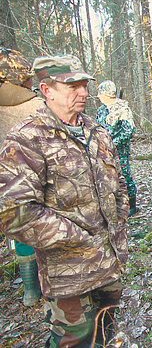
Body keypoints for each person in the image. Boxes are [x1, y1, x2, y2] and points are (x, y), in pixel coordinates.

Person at [0, 54, 129, 347]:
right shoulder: (26, 139)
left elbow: (118, 183)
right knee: (75, 340)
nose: (84, 92)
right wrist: (76, 238)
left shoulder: (97, 132)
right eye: (73, 86)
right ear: (47, 90)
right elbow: (13, 212)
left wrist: (120, 218)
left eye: (84, 84)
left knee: (106, 331)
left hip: (110, 264)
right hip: (67, 273)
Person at [0, 47, 42, 306]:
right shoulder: (37, 106)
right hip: (33, 182)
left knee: (17, 233)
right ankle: (36, 287)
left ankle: (30, 290)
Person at [96, 80, 138, 216]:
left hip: (120, 151)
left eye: (100, 93)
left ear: (107, 94)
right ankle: (115, 205)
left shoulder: (122, 109)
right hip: (102, 151)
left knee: (125, 176)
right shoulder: (101, 110)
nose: (98, 96)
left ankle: (132, 205)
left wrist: (112, 143)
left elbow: (128, 131)